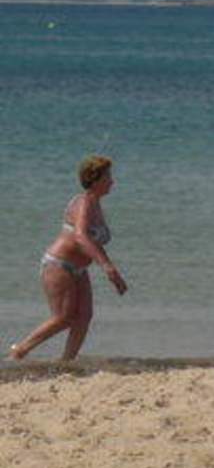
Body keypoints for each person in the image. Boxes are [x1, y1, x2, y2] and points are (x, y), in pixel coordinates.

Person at [12, 155, 127, 363]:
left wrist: (113, 271)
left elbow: (95, 243)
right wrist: (106, 267)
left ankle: (66, 362)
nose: (112, 181)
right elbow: (80, 236)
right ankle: (19, 351)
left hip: (79, 269)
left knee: (84, 316)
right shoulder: (82, 202)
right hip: (59, 265)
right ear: (94, 179)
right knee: (63, 317)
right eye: (108, 177)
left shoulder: (96, 204)